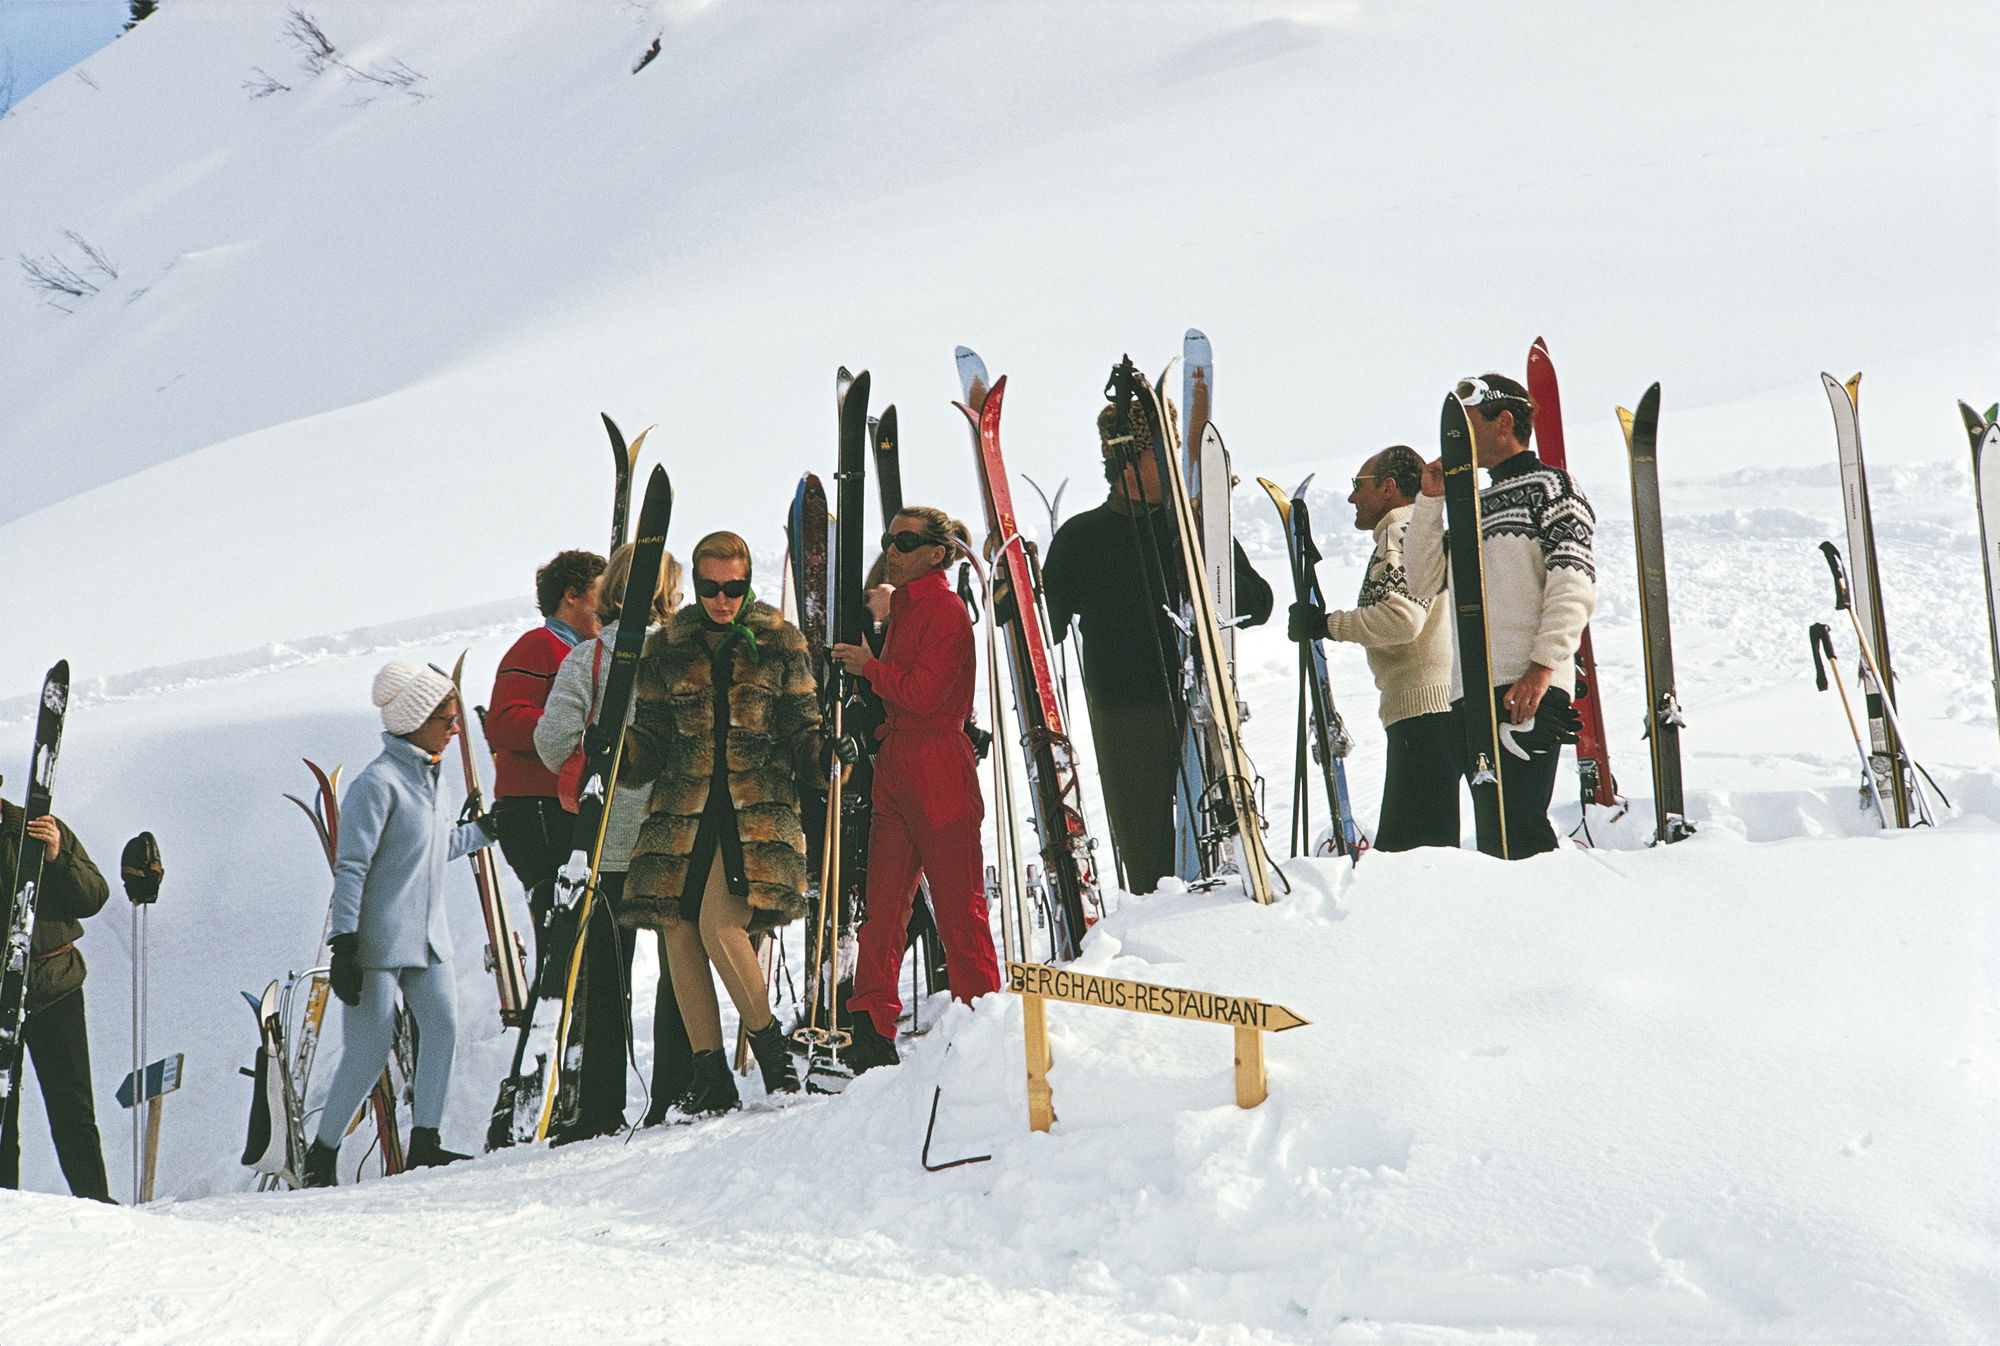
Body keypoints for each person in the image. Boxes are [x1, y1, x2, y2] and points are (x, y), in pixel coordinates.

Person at [1041, 377, 1273, 893]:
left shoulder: (1192, 528)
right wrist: (1012, 587)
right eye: (1158, 457)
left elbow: (1257, 604)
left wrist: (1205, 543)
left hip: (1201, 703)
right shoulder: (1081, 537)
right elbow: (1044, 629)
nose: (1171, 469)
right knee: (1148, 857)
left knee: (1215, 838)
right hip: (1126, 713)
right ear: (1126, 465)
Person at [619, 531, 819, 1115]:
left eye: (734, 588)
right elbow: (652, 742)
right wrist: (620, 751)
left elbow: (802, 725)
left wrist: (825, 756)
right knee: (678, 928)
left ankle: (776, 1058)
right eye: (710, 589)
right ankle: (710, 1075)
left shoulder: (779, 641)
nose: (723, 600)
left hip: (756, 810)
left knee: (717, 925)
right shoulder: (667, 649)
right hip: (684, 809)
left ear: (748, 581)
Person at [303, 662, 502, 1186]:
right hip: (376, 943)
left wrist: (486, 831)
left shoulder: (432, 776)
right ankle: (321, 1157)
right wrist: (344, 942)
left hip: (428, 938)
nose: (456, 728)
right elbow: (352, 867)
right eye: (447, 718)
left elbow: (432, 851)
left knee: (442, 1029)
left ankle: (427, 1145)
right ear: (415, 719)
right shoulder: (377, 784)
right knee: (368, 1052)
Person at [832, 507, 998, 1072]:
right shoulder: (906, 608)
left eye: (905, 541)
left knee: (958, 905)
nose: (893, 550)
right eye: (889, 540)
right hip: (900, 757)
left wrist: (869, 667)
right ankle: (871, 1025)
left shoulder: (946, 611)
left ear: (937, 552)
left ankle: (983, 1017)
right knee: (882, 905)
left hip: (936, 756)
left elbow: (925, 694)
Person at [534, 542, 692, 1134]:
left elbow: (551, 744)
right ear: (668, 592)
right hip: (677, 833)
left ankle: (601, 1108)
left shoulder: (588, 661)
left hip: (606, 840)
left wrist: (597, 753)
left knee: (606, 978)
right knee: (681, 969)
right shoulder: (686, 654)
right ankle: (675, 1092)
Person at [1404, 373, 1595, 858]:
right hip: (1469, 690)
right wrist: (1430, 499)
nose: (1457, 439)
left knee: (1521, 827)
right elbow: (1423, 582)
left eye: (1468, 424)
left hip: (1525, 687)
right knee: (1493, 834)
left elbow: (1572, 582)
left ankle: (1553, 921)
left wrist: (1542, 668)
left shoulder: (1553, 487)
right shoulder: (1474, 503)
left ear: (1503, 421)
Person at [1285, 445, 1458, 850]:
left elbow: (1402, 619)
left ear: (1388, 488)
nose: (1350, 497)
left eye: (1357, 485)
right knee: (1427, 846)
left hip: (1424, 712)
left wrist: (1326, 625)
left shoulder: (1402, 535)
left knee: (1413, 854)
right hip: (1435, 709)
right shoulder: (1419, 532)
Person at [485, 550, 606, 945]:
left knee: (580, 939)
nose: (606, 607)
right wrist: (569, 726)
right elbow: (501, 724)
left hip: (558, 806)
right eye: (600, 595)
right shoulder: (539, 645)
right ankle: (554, 1007)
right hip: (536, 811)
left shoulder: (587, 652)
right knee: (564, 940)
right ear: (571, 595)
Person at [0, 800, 112, 1202]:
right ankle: (5, 1207)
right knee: (1, 1115)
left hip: (53, 986)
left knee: (73, 1109)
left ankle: (97, 1202)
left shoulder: (38, 827)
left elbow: (93, 898)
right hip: (0, 998)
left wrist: (58, 857)